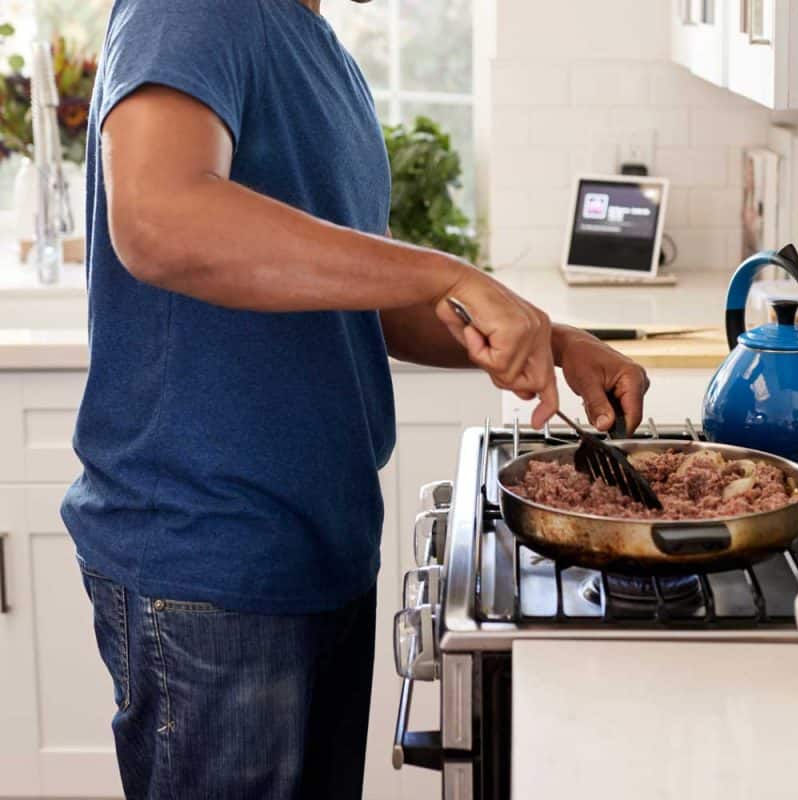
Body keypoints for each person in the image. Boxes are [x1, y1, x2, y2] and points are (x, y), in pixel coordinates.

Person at [61, 0, 650, 797]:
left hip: (315, 549)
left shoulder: (318, 50)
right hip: (210, 567)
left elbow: (356, 299)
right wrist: (448, 272)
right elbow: (159, 217)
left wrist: (547, 334)